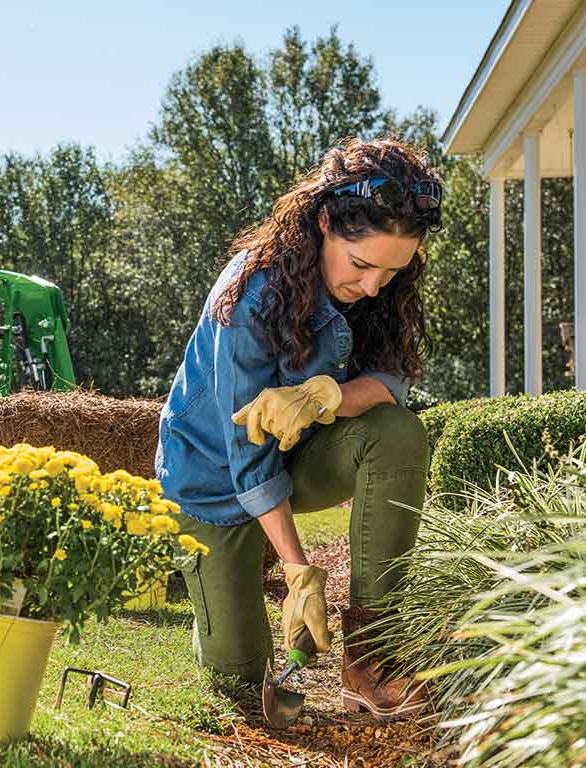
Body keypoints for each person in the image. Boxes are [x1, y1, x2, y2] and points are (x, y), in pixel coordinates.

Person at [154, 137, 440, 720]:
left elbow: (393, 385)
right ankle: (226, 596)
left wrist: (326, 395)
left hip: (302, 458)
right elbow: (247, 457)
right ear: (326, 221)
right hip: (215, 485)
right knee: (241, 687)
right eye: (361, 265)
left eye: (392, 270)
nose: (372, 287)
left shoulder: (381, 288)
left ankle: (372, 654)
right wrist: (297, 570)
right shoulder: (252, 295)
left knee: (398, 432)